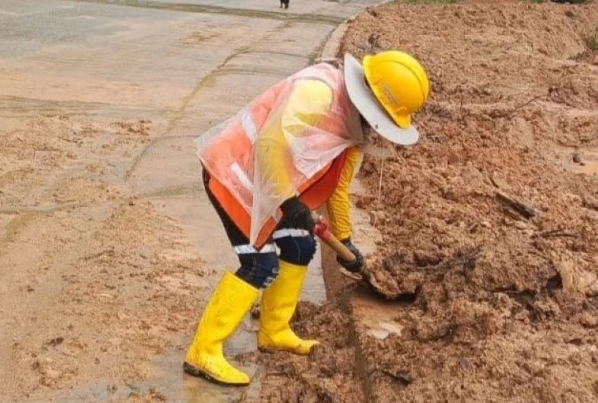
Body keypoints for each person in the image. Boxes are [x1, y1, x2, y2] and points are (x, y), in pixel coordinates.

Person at [184, 51, 431, 386]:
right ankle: (204, 350)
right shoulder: (318, 93)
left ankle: (275, 330)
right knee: (261, 265)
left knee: (300, 247)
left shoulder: (355, 128)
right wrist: (291, 205)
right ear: (370, 98)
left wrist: (343, 240)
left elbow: (338, 188)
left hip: (272, 189)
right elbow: (270, 143)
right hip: (235, 175)